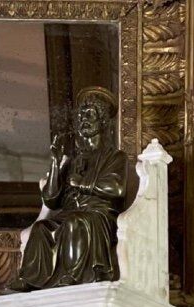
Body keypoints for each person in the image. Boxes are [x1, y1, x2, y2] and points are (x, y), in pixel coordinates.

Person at [12, 86, 131, 290]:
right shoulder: (73, 160)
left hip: (98, 216)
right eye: (82, 115)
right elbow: (51, 200)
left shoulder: (115, 157)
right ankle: (31, 279)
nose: (84, 119)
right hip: (70, 215)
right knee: (42, 229)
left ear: (102, 122)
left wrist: (82, 184)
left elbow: (117, 189)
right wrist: (56, 164)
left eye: (90, 114)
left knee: (76, 222)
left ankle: (73, 275)